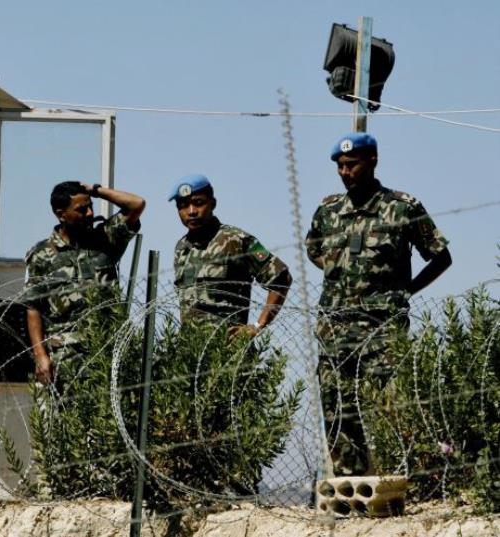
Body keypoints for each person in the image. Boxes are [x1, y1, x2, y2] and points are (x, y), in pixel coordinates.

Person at [306, 133, 452, 476]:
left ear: (372, 161)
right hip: (334, 326)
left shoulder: (402, 207)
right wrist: (336, 269)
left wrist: (406, 291)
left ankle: (403, 476)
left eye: (352, 164)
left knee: (389, 403)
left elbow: (441, 256)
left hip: (381, 326)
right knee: (337, 405)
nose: (345, 172)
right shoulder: (328, 210)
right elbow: (314, 249)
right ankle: (350, 480)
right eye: (340, 166)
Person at [24, 181, 145, 384]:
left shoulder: (105, 239)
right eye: (81, 209)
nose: (89, 213)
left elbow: (137, 204)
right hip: (65, 356)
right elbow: (33, 307)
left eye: (91, 206)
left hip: (106, 351)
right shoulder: (41, 255)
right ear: (61, 214)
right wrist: (40, 355)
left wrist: (95, 191)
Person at [170, 174, 291, 332]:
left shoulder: (236, 240)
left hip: (227, 349)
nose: (191, 211)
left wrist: (258, 325)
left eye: (198, 203)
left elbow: (281, 278)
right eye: (183, 206)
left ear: (212, 204)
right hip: (191, 350)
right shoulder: (181, 248)